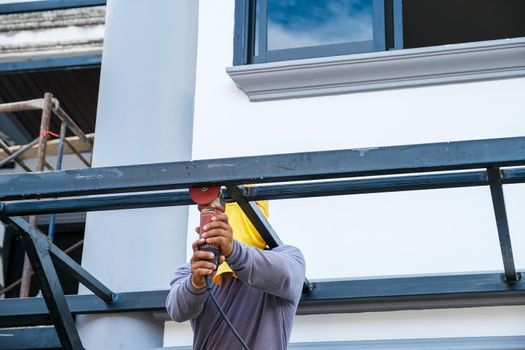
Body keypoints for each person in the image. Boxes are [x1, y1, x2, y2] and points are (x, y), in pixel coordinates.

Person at [166, 201, 306, 349]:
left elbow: (284, 275)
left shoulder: (289, 258)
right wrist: (196, 283)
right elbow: (177, 311)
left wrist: (234, 251)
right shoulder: (193, 271)